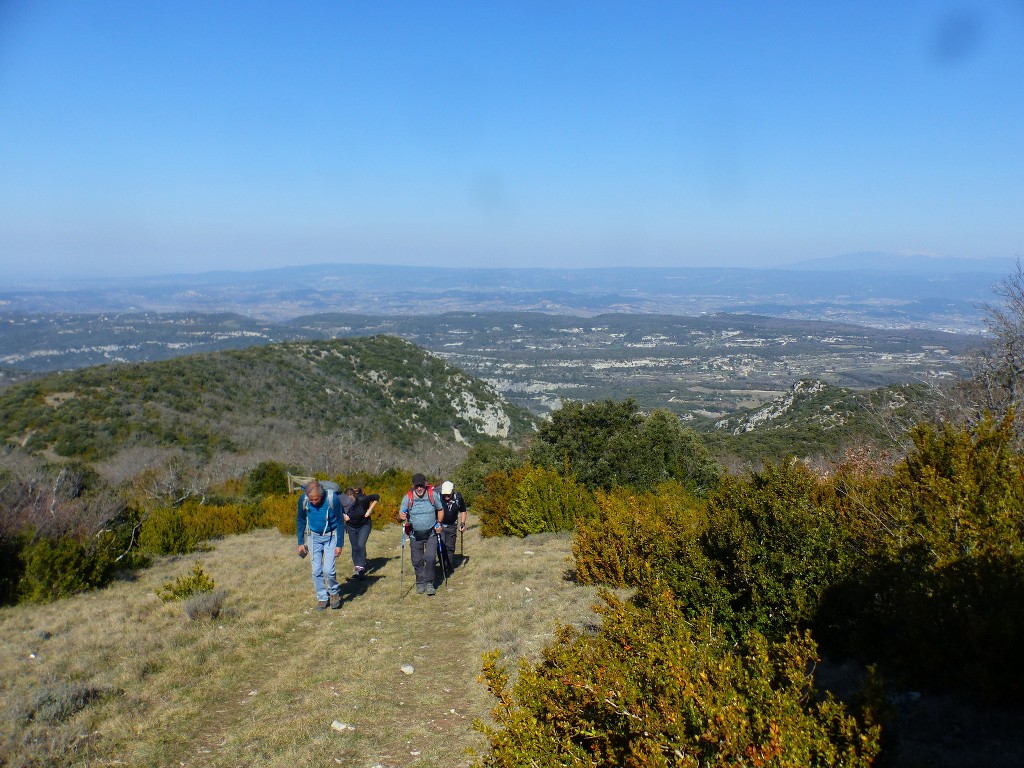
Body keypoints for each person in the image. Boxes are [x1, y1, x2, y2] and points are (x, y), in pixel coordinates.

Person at [296, 479, 351, 610]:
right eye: (311, 500)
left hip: (331, 536)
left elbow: (339, 522)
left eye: (317, 499)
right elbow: (300, 520)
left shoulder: (333, 499)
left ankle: (334, 593)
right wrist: (300, 542)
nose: (314, 502)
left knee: (328, 570)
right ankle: (322, 597)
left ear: (322, 494)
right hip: (313, 537)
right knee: (316, 571)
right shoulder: (303, 500)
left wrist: (339, 544)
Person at [398, 472, 443, 595]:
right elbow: (400, 515)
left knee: (430, 558)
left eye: (421, 486)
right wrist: (400, 516)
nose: (419, 488)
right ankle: (420, 583)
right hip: (414, 535)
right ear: (413, 486)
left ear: (425, 484)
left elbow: (440, 509)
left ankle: (429, 583)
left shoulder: (432, 495)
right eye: (417, 486)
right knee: (417, 560)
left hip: (431, 533)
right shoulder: (408, 498)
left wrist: (439, 524)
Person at [344, 486, 379, 579]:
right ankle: (357, 568)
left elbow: (376, 497)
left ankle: (362, 568)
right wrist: (343, 515)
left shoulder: (362, 500)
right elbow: (335, 509)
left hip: (364, 525)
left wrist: (370, 510)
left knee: (360, 545)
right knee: (355, 547)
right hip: (351, 526)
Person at [438, 480, 467, 572]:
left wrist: (462, 523)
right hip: (440, 525)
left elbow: (463, 511)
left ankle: (448, 566)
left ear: (452, 491)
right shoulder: (438, 497)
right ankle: (443, 566)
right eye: (444, 495)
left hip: (452, 526)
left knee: (450, 547)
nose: (446, 497)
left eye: (448, 495)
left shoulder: (458, 497)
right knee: (441, 546)